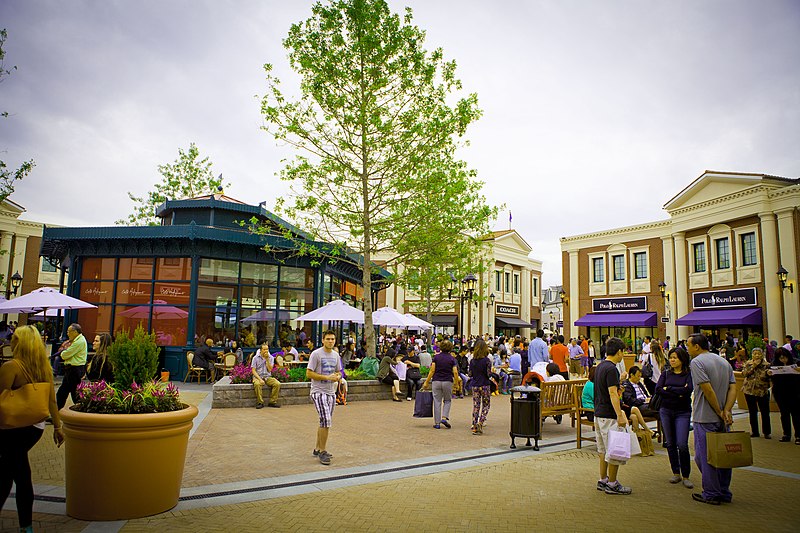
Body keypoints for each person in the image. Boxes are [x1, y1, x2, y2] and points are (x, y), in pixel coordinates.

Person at [0, 325, 65, 533]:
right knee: (15, 469)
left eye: (14, 338)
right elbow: (52, 401)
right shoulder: (43, 367)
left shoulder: (12, 367)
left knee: (13, 472)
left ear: (20, 343)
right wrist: (57, 426)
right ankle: (25, 525)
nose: (10, 340)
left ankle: (26, 526)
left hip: (11, 427)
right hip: (34, 428)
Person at [687, 333, 736, 505]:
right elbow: (733, 388)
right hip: (723, 418)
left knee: (704, 456)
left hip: (705, 416)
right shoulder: (723, 361)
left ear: (697, 347)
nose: (687, 349)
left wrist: (718, 410)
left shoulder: (697, 362)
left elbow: (707, 390)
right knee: (723, 454)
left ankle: (711, 492)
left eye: (688, 346)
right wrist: (727, 410)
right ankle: (723, 490)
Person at [593, 337, 632, 495]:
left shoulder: (600, 366)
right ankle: (612, 483)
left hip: (599, 413)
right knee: (614, 449)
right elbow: (612, 393)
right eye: (623, 351)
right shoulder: (611, 369)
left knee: (603, 450)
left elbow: (607, 390)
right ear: (619, 352)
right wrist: (620, 415)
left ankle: (603, 479)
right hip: (609, 415)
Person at [655, 347, 694, 488]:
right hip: (666, 410)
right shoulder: (665, 374)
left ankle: (686, 475)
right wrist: (677, 391)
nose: (672, 360)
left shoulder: (688, 374)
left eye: (675, 357)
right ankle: (676, 472)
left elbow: (688, 390)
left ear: (682, 359)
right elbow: (658, 389)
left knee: (682, 444)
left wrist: (669, 389)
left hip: (682, 412)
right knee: (670, 443)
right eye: (671, 357)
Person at [306, 330, 342, 465]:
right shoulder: (316, 354)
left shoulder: (336, 355)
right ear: (323, 340)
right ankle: (323, 451)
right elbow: (309, 373)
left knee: (324, 421)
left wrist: (338, 376)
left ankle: (317, 448)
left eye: (332, 339)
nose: (330, 341)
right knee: (326, 420)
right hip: (318, 391)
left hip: (330, 392)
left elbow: (339, 371)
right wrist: (326, 377)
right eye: (328, 339)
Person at [421, 339, 460, 429]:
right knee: (447, 400)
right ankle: (444, 417)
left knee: (437, 401)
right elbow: (455, 372)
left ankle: (437, 423)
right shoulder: (452, 359)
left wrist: (426, 382)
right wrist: (456, 383)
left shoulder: (436, 357)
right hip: (447, 381)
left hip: (436, 381)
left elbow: (432, 370)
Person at [768, 347, 800, 444]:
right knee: (784, 413)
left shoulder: (796, 363)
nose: (783, 360)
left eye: (784, 357)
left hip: (794, 392)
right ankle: (786, 434)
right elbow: (770, 378)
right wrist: (769, 374)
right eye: (780, 358)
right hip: (780, 392)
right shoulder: (774, 365)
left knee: (796, 414)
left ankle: (798, 435)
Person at [56, 323, 88, 409]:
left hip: (75, 370)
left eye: (68, 331)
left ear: (74, 332)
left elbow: (65, 355)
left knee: (73, 392)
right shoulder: (77, 340)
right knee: (63, 392)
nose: (67, 334)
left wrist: (63, 352)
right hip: (72, 369)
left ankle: (81, 410)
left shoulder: (79, 341)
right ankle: (56, 411)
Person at [741, 347, 771, 439]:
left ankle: (767, 432)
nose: (757, 355)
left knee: (765, 412)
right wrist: (753, 366)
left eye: (759, 354)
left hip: (762, 391)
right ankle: (755, 431)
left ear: (762, 355)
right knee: (752, 412)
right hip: (749, 391)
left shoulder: (767, 365)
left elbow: (770, 378)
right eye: (755, 354)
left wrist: (769, 374)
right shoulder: (748, 364)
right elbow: (744, 374)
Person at [469, 339, 492, 435]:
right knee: (486, 405)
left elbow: (470, 374)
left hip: (475, 385)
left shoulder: (472, 361)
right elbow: (488, 374)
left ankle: (474, 423)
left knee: (476, 405)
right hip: (485, 384)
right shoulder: (487, 361)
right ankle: (481, 421)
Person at [251, 343, 281, 409]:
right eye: (264, 349)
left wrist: (267, 359)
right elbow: (253, 370)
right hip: (258, 376)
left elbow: (270, 370)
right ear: (261, 350)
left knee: (277, 384)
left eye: (267, 349)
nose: (266, 351)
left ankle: (272, 402)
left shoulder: (271, 358)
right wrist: (260, 379)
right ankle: (260, 402)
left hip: (267, 376)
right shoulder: (255, 358)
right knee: (257, 384)